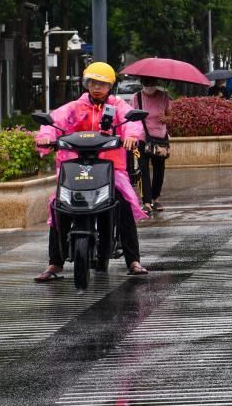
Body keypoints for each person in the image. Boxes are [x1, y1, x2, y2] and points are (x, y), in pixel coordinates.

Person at [33, 62, 149, 281]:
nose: (97, 87)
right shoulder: (74, 107)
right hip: (75, 166)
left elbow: (132, 123)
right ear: (86, 84)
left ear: (110, 86)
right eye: (93, 83)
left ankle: (133, 260)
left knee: (123, 203)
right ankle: (54, 263)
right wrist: (46, 137)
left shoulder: (118, 107)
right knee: (59, 205)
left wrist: (132, 136)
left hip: (111, 168)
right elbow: (53, 121)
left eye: (102, 84)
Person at [134, 77, 172, 214]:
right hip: (143, 137)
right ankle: (146, 202)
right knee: (142, 169)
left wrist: (166, 118)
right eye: (146, 83)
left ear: (156, 83)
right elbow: (130, 116)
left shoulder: (164, 97)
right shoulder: (136, 97)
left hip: (160, 138)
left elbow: (171, 116)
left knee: (159, 169)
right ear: (142, 84)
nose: (149, 86)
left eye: (151, 83)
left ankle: (155, 199)